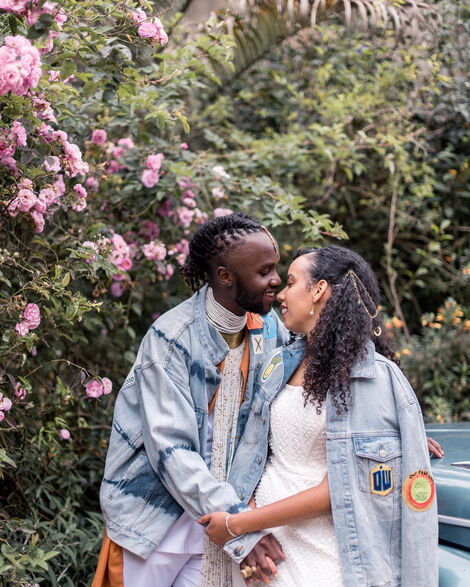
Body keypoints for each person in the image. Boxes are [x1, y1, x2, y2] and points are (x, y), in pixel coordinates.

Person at [199, 245, 439, 587]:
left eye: (292, 283)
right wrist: (247, 521)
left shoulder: (373, 377)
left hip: (320, 557)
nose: (281, 293)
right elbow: (259, 453)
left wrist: (238, 525)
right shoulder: (281, 365)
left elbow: (341, 487)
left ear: (319, 290)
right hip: (265, 552)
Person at [92, 212, 289, 587]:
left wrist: (384, 425)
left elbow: (309, 385)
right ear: (225, 276)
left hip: (218, 526)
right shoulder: (170, 340)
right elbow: (172, 451)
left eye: (276, 269)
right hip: (154, 524)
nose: (276, 281)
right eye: (264, 272)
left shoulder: (269, 326)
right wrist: (240, 527)